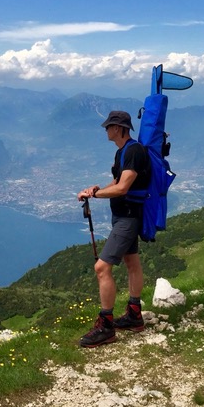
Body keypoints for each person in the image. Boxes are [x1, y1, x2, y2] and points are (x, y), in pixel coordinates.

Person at [76, 110, 151, 348]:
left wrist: (96, 195)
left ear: (118, 128)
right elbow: (117, 183)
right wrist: (95, 189)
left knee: (101, 268)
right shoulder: (123, 152)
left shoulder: (133, 151)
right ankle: (134, 315)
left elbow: (123, 188)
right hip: (123, 216)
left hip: (127, 218)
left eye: (108, 127)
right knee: (132, 263)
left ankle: (106, 326)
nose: (106, 130)